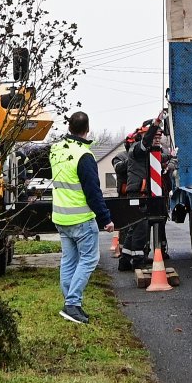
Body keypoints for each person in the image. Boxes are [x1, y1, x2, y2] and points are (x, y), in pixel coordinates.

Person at [49, 109, 114, 324]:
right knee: (89, 259)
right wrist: (106, 219)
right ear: (87, 129)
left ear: (69, 127)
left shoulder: (56, 149)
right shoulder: (84, 156)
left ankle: (70, 303)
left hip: (61, 217)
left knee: (69, 261)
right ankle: (72, 304)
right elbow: (93, 191)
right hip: (80, 219)